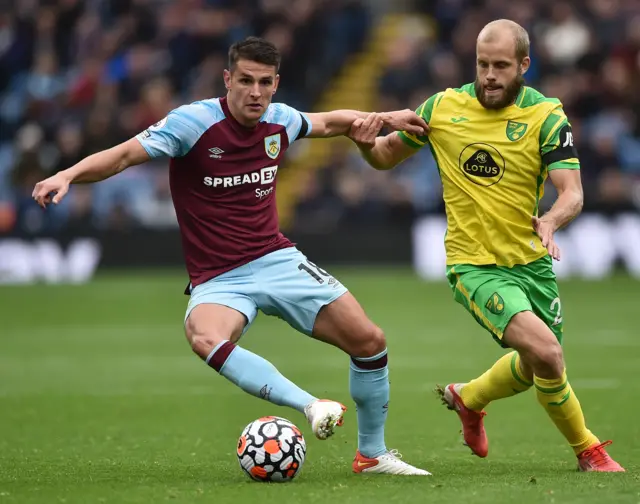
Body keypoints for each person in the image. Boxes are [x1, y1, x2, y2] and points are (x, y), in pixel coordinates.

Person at [32, 37, 431, 476]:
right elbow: (125, 155)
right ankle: (311, 405)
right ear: (228, 80)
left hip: (276, 258)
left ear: (276, 84)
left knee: (370, 343)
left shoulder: (280, 120)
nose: (255, 92)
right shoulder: (192, 123)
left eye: (264, 82)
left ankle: (372, 455)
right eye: (245, 81)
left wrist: (387, 118)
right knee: (203, 336)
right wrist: (69, 174)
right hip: (219, 277)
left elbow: (330, 121)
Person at [349, 20, 624, 472]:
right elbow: (384, 156)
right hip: (474, 264)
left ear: (524, 65)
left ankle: (469, 397)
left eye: (501, 65)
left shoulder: (546, 115)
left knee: (540, 366)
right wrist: (364, 146)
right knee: (549, 354)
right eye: (482, 64)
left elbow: (571, 191)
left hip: (532, 262)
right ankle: (589, 452)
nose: (490, 75)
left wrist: (552, 220)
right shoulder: (442, 109)